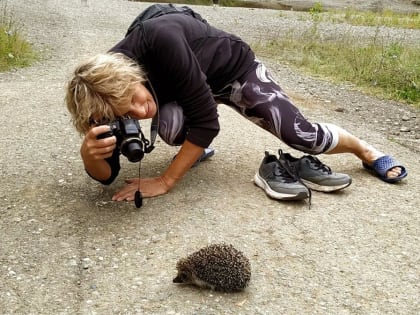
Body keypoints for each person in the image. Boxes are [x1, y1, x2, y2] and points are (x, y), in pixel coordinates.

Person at [65, 6, 407, 203]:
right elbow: (106, 176)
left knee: (303, 137)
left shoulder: (159, 38)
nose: (139, 114)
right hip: (186, 90)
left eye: (135, 100)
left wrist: (165, 181)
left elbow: (207, 123)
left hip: (234, 72)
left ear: (131, 74)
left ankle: (364, 150)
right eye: (127, 114)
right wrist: (89, 155)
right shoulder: (105, 96)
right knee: (167, 125)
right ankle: (194, 152)